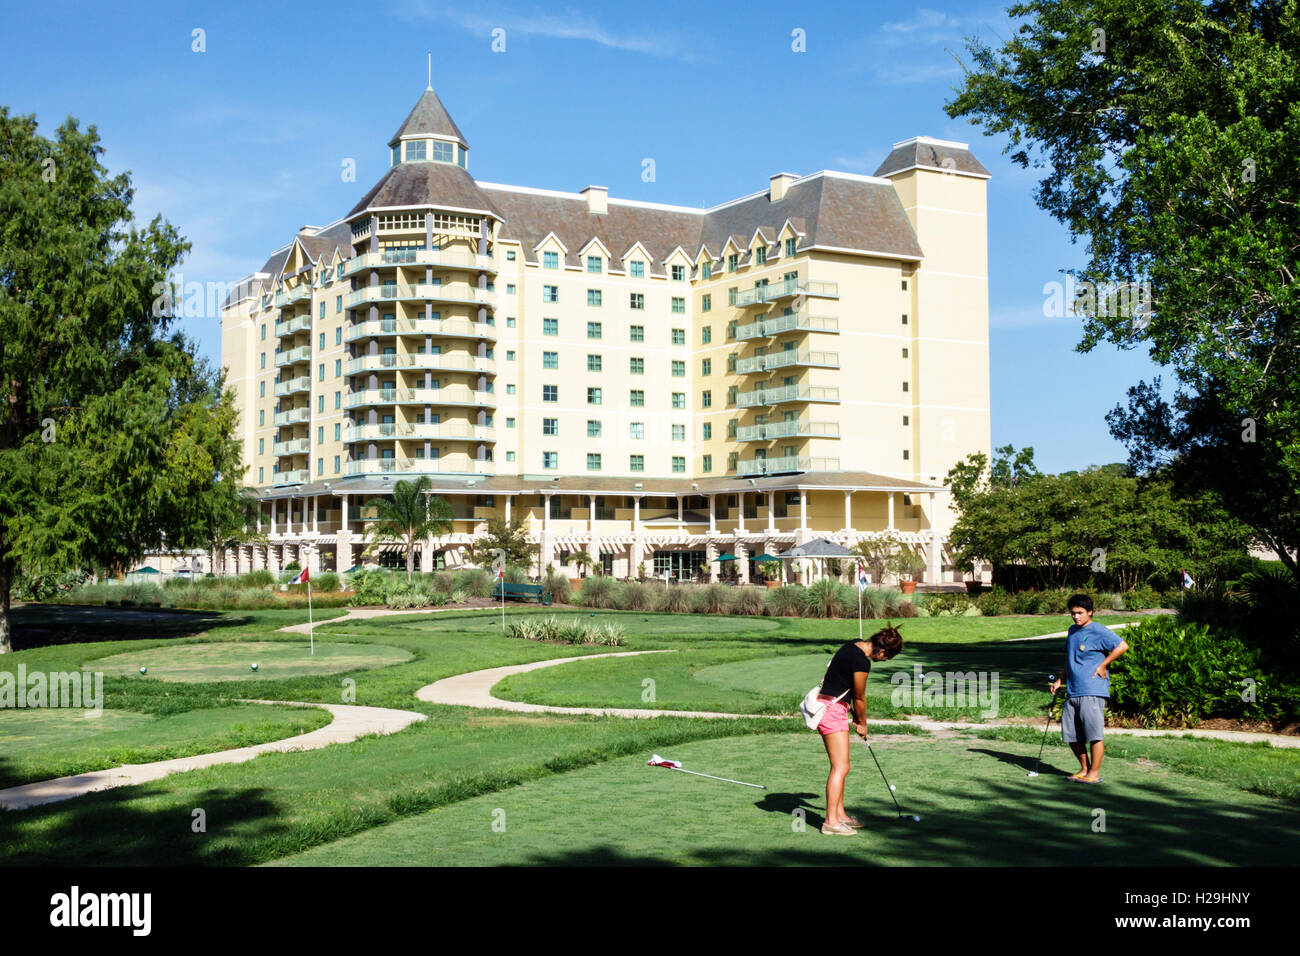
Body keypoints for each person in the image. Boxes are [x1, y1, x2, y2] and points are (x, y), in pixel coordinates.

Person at [816, 624, 904, 835]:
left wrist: (855, 716)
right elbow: (859, 697)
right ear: (882, 651)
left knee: (842, 766)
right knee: (841, 767)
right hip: (832, 711)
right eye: (886, 658)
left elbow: (841, 683)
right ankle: (830, 822)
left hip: (833, 707)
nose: (883, 660)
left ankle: (840, 815)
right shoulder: (862, 662)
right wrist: (863, 723)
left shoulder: (853, 644)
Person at [1048, 594, 1129, 783]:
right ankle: (1084, 769)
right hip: (1073, 690)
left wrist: (1103, 664)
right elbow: (1070, 659)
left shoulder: (1098, 630)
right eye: (1073, 613)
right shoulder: (1072, 631)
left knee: (1094, 734)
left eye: (1080, 613)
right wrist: (1060, 679)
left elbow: (1122, 646)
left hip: (1092, 689)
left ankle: (1094, 773)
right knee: (1071, 735)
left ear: (1090, 612)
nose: (1076, 617)